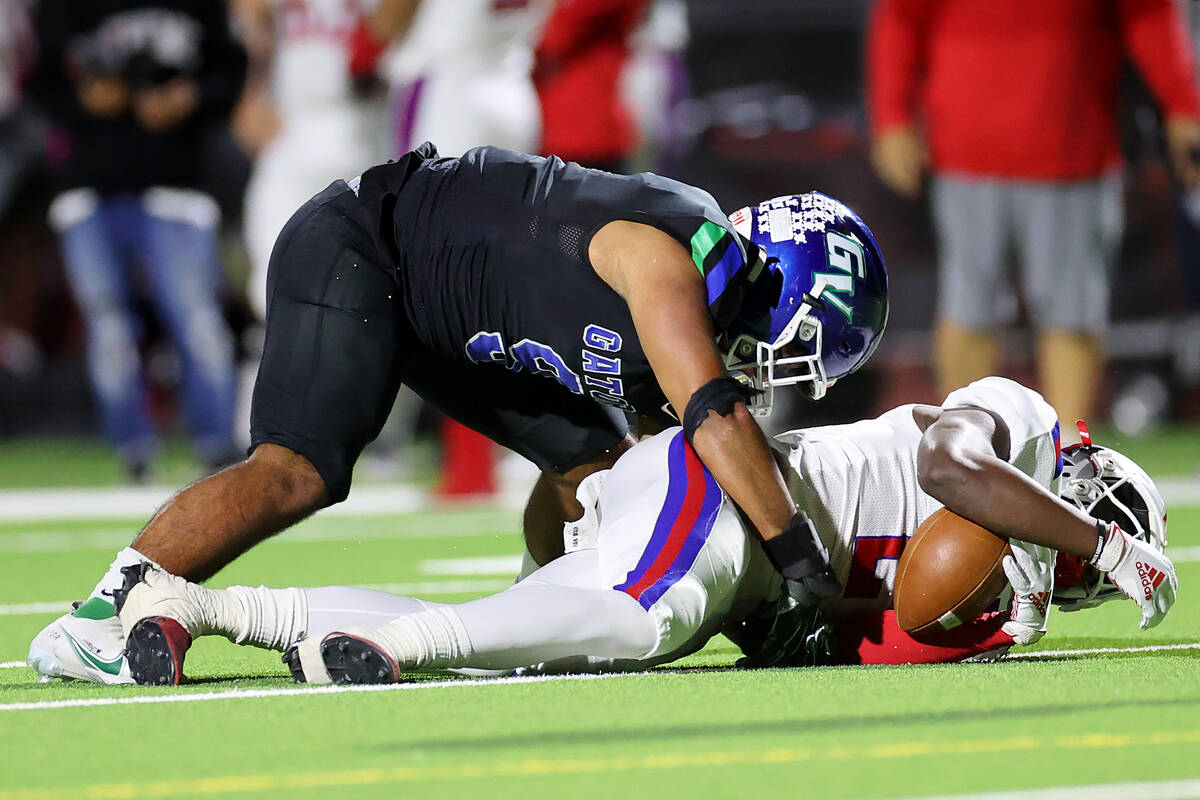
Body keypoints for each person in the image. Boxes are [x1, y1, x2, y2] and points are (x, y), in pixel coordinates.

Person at [26, 146, 890, 684]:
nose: (774, 369)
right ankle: (101, 616)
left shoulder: (689, 278)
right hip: (366, 248)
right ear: (779, 278)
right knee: (301, 469)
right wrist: (802, 565)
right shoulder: (674, 253)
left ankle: (538, 610)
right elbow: (714, 415)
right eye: (797, 342)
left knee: (601, 473)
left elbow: (679, 477)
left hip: (439, 308)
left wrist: (755, 610)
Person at [107, 377, 1176, 685]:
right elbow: (950, 464)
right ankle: (404, 644)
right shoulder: (1020, 425)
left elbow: (821, 635)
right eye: (1094, 539)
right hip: (714, 486)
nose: (1080, 578)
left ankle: (201, 604)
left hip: (721, 545)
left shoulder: (998, 596)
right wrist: (1101, 543)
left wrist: (971, 624)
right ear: (1086, 483)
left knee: (526, 643)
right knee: (630, 617)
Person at [866, 0, 1200, 433]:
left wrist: (1181, 102)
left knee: (1071, 316)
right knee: (969, 313)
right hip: (969, 149)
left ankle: (1067, 462)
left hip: (1071, 145)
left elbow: (1147, 12)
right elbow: (902, 15)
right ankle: (963, 456)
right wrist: (891, 114)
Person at [29, 0, 247, 480]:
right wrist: (82, 101)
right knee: (107, 324)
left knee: (196, 317)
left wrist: (189, 98)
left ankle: (217, 449)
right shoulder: (62, 10)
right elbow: (38, 80)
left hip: (176, 179)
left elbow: (231, 69)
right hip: (90, 182)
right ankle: (133, 452)